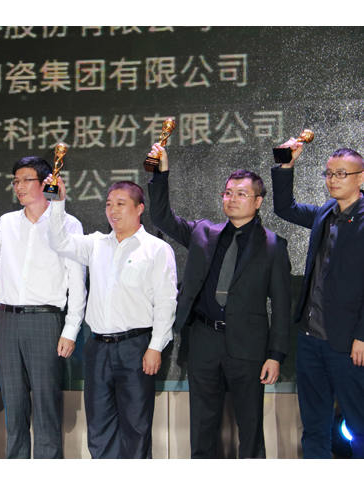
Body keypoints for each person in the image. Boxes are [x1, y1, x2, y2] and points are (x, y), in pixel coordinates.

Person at [147, 144, 291, 458]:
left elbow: (282, 306)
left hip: (248, 347)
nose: (232, 199)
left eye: (241, 194)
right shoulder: (203, 233)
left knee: (250, 427)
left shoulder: (273, 246)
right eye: (227, 193)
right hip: (204, 341)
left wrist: (275, 355)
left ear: (258, 201)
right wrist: (160, 174)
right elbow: (161, 217)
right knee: (202, 426)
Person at [0, 156, 86, 459]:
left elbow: (77, 282)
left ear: (46, 182)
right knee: (14, 405)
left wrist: (71, 328)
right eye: (15, 181)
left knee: (46, 405)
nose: (19, 187)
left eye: (26, 180)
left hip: (45, 320)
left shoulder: (68, 224)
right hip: (8, 321)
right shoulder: (8, 222)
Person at [45, 175, 177, 458]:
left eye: (120, 203)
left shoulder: (156, 249)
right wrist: (57, 203)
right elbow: (59, 241)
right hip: (98, 348)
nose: (113, 210)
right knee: (99, 425)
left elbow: (166, 302)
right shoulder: (96, 244)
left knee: (136, 426)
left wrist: (156, 347)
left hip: (136, 347)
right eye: (108, 204)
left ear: (139, 208)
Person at [271, 142, 364, 458]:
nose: (333, 180)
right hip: (311, 339)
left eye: (342, 174)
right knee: (313, 426)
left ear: (361, 177)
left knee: (359, 425)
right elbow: (285, 208)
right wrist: (286, 166)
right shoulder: (326, 212)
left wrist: (362, 335)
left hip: (348, 343)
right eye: (329, 173)